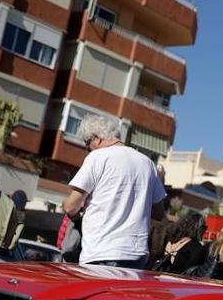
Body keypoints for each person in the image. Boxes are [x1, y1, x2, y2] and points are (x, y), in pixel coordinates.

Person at [62, 115, 165, 268]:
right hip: (136, 254)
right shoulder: (148, 164)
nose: (87, 150)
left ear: (96, 138)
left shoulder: (97, 157)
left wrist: (75, 215)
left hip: (101, 251)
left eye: (87, 145)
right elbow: (158, 213)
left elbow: (71, 207)